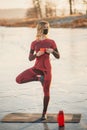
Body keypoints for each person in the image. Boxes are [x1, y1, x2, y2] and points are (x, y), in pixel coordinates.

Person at [16, 21, 60, 120]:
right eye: (44, 27)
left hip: (47, 71)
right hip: (36, 69)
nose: (46, 29)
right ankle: (38, 78)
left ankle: (44, 113)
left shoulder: (51, 42)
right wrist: (37, 54)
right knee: (18, 79)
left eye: (47, 27)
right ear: (40, 29)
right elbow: (30, 58)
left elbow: (58, 56)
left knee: (46, 92)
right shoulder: (34, 43)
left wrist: (52, 51)